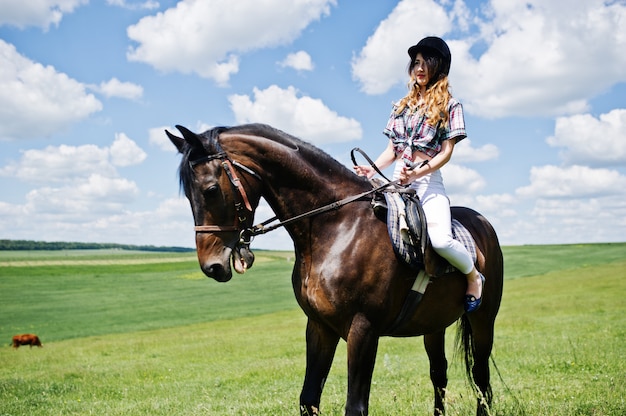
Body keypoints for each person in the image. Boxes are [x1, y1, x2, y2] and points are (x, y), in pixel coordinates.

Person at [354, 36, 484, 312]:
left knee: (440, 240)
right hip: (398, 179)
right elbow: (392, 149)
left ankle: (474, 276)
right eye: (415, 63)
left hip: (427, 182)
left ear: (439, 66)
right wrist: (373, 169)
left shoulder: (451, 105)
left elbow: (446, 152)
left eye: (426, 62)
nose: (419, 68)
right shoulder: (401, 105)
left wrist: (417, 174)